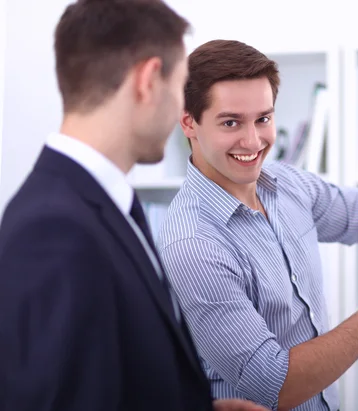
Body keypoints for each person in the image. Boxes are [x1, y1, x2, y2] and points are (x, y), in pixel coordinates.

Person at [157, 39, 358, 411]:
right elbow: (274, 386)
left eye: (263, 119)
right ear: (188, 120)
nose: (252, 141)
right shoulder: (194, 243)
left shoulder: (283, 182)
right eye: (231, 122)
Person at [0, 2, 267, 411]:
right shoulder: (54, 229)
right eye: (179, 87)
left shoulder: (101, 204)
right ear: (147, 81)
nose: (183, 111)